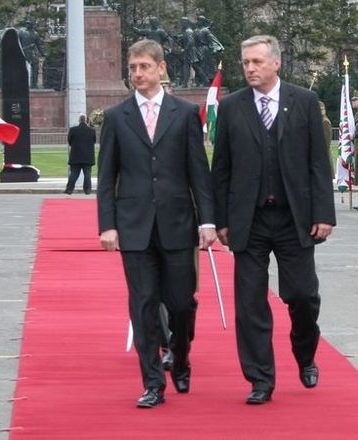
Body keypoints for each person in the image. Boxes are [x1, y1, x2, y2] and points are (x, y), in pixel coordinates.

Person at [211, 35, 336, 405]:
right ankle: (260, 378)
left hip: (293, 217)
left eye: (257, 62)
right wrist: (221, 219)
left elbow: (318, 162)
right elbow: (222, 169)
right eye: (245, 62)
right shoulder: (232, 107)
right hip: (248, 219)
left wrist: (323, 214)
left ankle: (305, 352)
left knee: (302, 295)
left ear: (276, 63)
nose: (250, 68)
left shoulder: (304, 102)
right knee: (249, 303)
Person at [97, 39, 216, 408]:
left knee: (181, 303)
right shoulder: (117, 117)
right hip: (133, 228)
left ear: (161, 69)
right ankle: (152, 383)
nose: (137, 74)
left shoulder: (184, 114)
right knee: (144, 305)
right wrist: (107, 224)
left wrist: (207, 221)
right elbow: (106, 176)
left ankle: (180, 357)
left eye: (144, 66)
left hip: (178, 224)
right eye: (132, 68)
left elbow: (199, 172)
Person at [64, 114, 96, 195]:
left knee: (74, 173)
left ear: (79, 120)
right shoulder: (92, 131)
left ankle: (69, 189)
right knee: (87, 174)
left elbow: (70, 141)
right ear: (86, 120)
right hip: (88, 156)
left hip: (76, 155)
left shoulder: (73, 130)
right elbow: (94, 141)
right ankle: (87, 190)